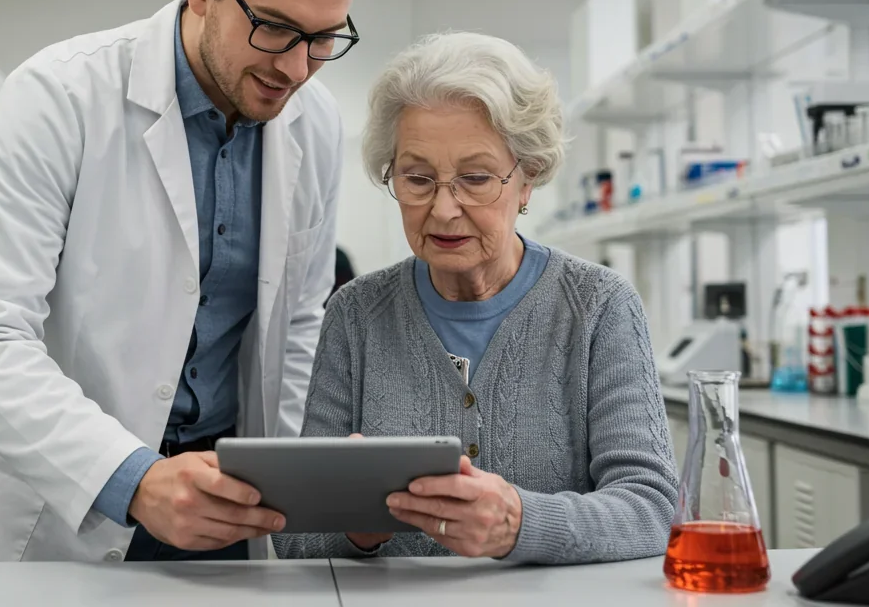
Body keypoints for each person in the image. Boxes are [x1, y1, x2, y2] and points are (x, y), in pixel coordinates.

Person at [0, 0, 385, 564]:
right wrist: (132, 479)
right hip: (62, 508)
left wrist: (307, 478)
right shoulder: (58, 96)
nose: (295, 68)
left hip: (228, 504)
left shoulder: (313, 121)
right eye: (274, 28)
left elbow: (297, 321)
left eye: (324, 39)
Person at [274, 32, 679, 564]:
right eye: (417, 178)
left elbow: (653, 511)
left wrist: (520, 523)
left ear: (528, 178)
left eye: (475, 178)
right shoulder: (356, 314)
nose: (443, 209)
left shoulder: (598, 307)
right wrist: (355, 525)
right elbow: (294, 536)